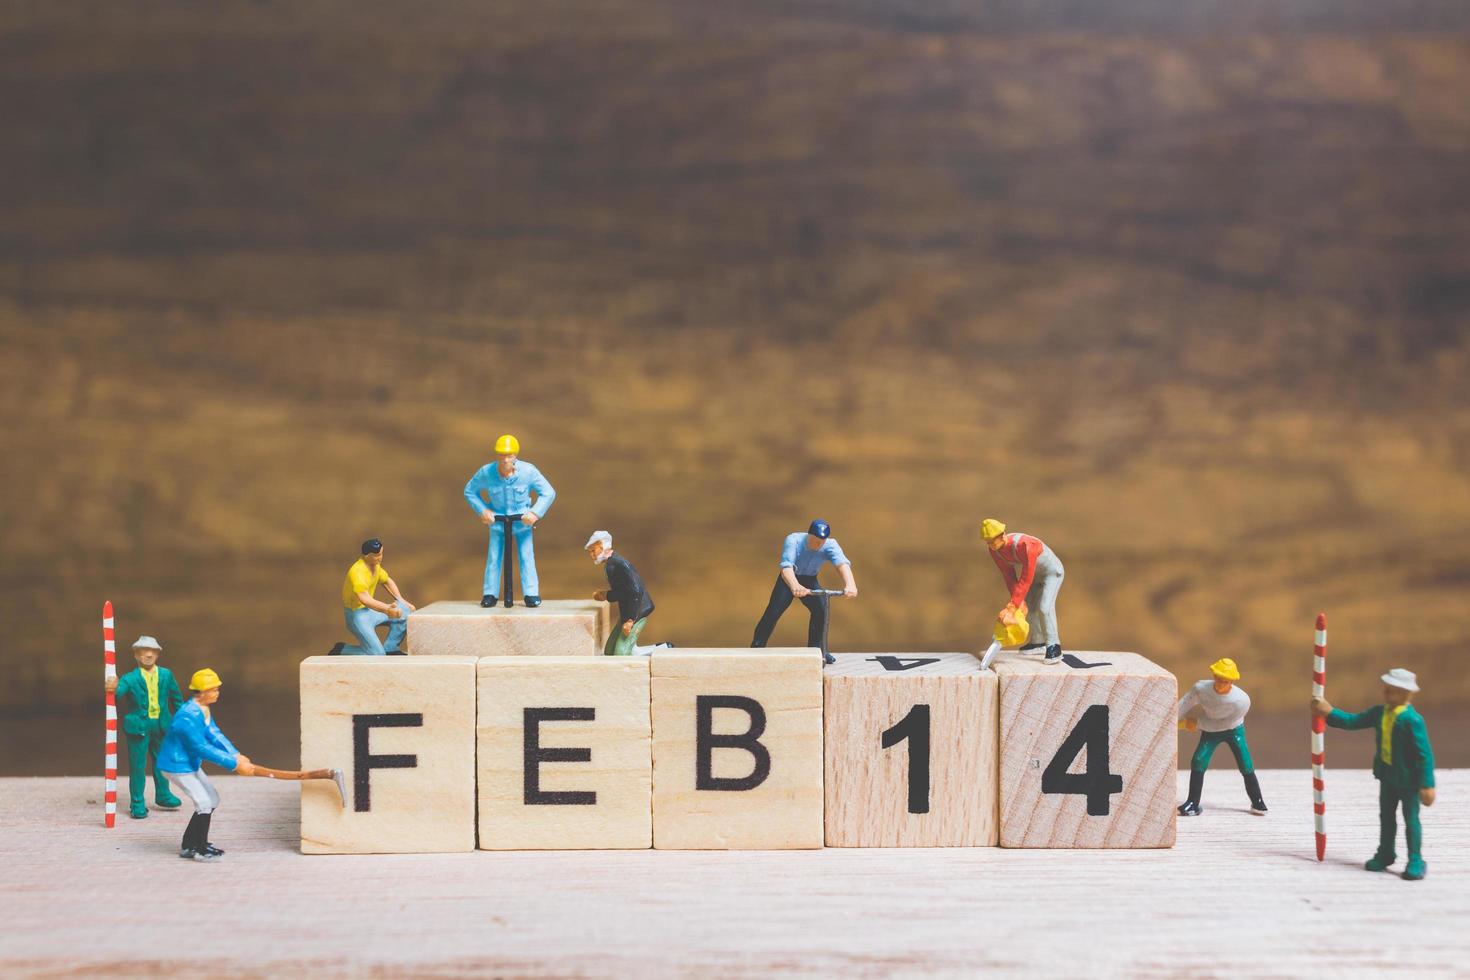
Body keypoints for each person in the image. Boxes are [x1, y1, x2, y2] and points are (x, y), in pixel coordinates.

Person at [1311, 668, 1436, 880]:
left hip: (1409, 781)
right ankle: (1386, 853)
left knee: (1411, 819)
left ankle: (1415, 858)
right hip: (1387, 777)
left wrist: (1427, 784)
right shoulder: (1379, 713)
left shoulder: (1412, 720)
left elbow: (1424, 755)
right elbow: (1353, 722)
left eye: (1393, 689)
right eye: (1386, 688)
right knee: (1386, 817)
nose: (1387, 692)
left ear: (1407, 694)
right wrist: (1328, 712)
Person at [157, 669, 254, 862]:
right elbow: (200, 746)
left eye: (217, 689)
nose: (217, 693)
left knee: (212, 799)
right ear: (201, 692)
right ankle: (200, 849)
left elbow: (214, 734)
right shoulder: (187, 717)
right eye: (213, 690)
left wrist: (235, 754)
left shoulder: (203, 709)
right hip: (177, 765)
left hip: (189, 764)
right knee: (204, 803)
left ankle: (189, 844)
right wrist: (233, 764)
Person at [463, 433, 556, 607]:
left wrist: (535, 513)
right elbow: (469, 491)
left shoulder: (528, 472)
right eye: (502, 455)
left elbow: (548, 492)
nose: (505, 460)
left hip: (522, 523)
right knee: (494, 557)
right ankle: (490, 593)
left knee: (526, 556)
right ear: (497, 455)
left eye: (509, 455)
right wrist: (483, 510)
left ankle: (531, 593)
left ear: (515, 455)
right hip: (498, 523)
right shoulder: (486, 472)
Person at [750, 520, 857, 660]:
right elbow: (786, 567)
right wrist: (795, 586)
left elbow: (842, 564)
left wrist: (850, 584)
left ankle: (818, 651)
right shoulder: (793, 540)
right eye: (816, 540)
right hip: (788, 580)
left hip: (810, 580)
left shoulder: (830, 545)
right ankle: (756, 648)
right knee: (773, 612)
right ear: (809, 535)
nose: (819, 544)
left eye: (822, 541)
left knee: (821, 611)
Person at [104, 636, 185, 819]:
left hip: (162, 726)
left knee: (163, 762)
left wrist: (182, 721)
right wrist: (112, 687)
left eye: (152, 651)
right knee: (138, 766)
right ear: (136, 654)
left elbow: (177, 699)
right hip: (138, 728)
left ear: (157, 653)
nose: (148, 654)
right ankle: (137, 803)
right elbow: (115, 697)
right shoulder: (130, 678)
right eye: (144, 651)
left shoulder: (166, 675)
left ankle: (163, 794)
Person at [1176, 658, 1267, 817]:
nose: (1220, 683)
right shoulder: (1201, 689)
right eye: (1217, 677)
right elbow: (1185, 704)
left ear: (1231, 681)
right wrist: (1171, 717)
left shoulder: (1241, 701)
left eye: (1224, 680)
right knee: (1198, 760)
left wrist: (1195, 723)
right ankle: (1192, 803)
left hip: (1233, 730)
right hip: (1209, 731)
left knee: (1245, 762)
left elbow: (1224, 724)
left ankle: (1258, 801)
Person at [980, 519, 1065, 665]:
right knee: (1029, 609)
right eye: (987, 541)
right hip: (1035, 577)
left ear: (1002, 535)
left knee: (1044, 608)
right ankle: (1038, 642)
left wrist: (1013, 605)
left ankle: (1054, 646)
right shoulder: (996, 551)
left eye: (992, 540)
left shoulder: (1025, 545)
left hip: (1051, 573)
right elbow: (1009, 576)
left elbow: (1026, 576)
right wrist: (1017, 604)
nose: (990, 545)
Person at [586, 531, 667, 656]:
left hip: (637, 611)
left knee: (620, 654)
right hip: (626, 612)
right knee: (609, 651)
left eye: (593, 551)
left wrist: (630, 620)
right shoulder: (610, 565)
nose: (591, 555)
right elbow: (622, 592)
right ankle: (648, 649)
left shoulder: (619, 564)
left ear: (603, 547)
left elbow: (635, 590)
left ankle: (662, 649)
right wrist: (606, 595)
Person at [328, 538, 415, 656]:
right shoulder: (357, 572)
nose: (380, 557)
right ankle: (342, 649)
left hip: (370, 611)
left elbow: (387, 581)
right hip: (357, 616)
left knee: (405, 612)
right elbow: (364, 599)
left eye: (381, 554)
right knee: (377, 654)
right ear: (366, 555)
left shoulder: (375, 566)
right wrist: (387, 609)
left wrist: (402, 601)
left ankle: (391, 647)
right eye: (376, 555)